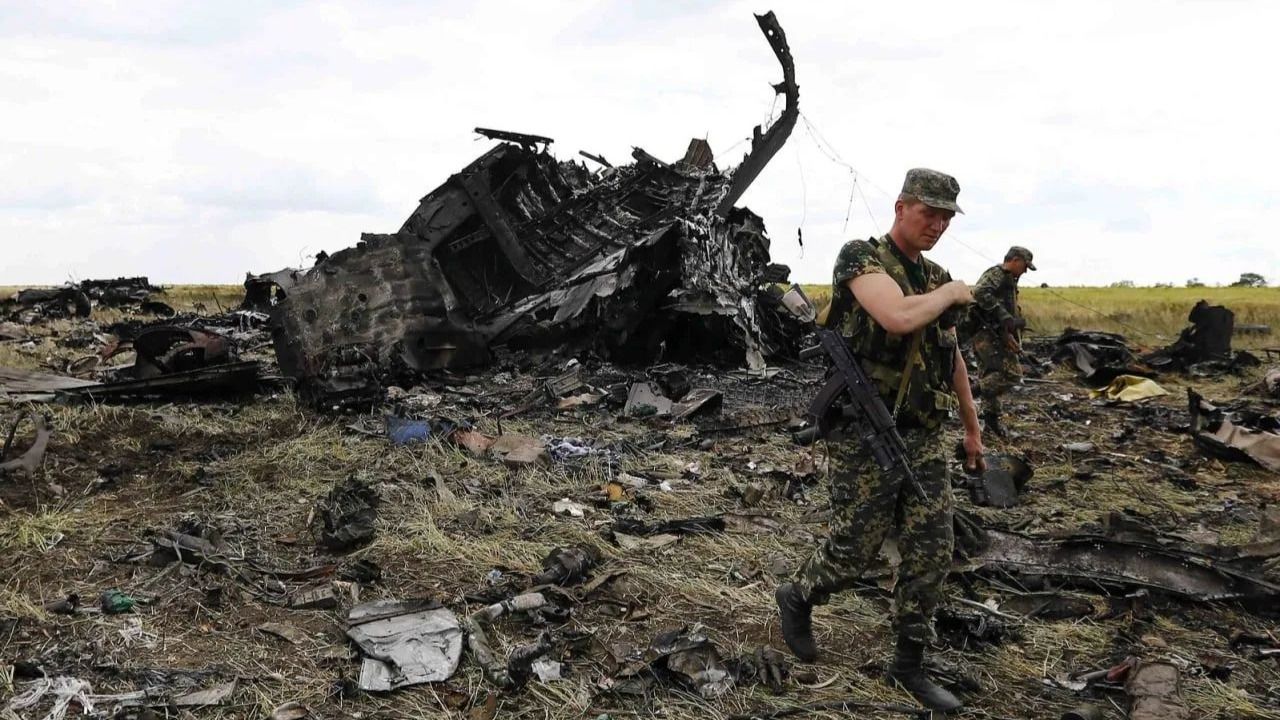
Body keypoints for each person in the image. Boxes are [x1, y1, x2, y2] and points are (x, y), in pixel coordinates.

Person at [776, 168, 985, 713]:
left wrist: (971, 427)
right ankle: (798, 594)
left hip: (923, 433)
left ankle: (908, 665)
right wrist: (951, 293)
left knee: (933, 550)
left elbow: (952, 354)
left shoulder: (935, 274)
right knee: (855, 549)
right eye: (928, 212)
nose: (937, 224)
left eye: (945, 216)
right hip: (862, 433)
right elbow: (895, 316)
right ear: (900, 207)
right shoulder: (860, 259)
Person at [969, 246, 1034, 437]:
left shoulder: (1008, 280)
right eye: (1025, 265)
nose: (1025, 271)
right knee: (1011, 374)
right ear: (1015, 260)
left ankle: (991, 423)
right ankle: (967, 394)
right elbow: (979, 292)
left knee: (991, 375)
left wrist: (1013, 325)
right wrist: (1004, 316)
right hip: (987, 334)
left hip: (995, 334)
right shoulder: (997, 274)